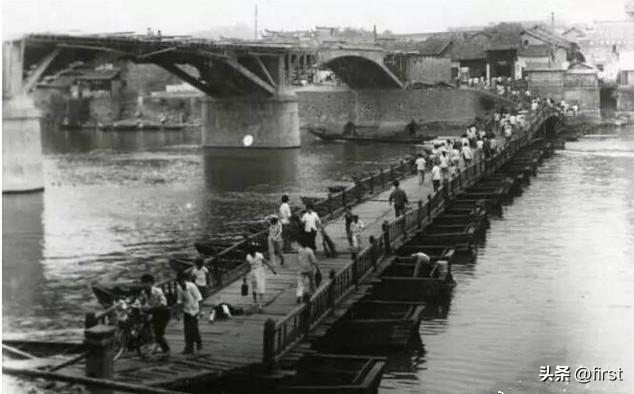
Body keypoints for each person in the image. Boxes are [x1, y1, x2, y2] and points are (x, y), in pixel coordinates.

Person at [139, 274, 170, 358]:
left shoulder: (157, 291)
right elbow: (142, 302)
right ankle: (151, 347)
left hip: (163, 313)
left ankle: (166, 350)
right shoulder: (143, 292)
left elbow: (164, 303)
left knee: (159, 333)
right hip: (153, 313)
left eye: (145, 283)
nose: (143, 285)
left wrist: (151, 307)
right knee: (146, 330)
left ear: (150, 283)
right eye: (142, 283)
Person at [176, 271, 202, 354]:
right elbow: (179, 300)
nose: (180, 283)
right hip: (186, 310)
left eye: (181, 281)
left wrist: (200, 311)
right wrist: (178, 312)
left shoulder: (192, 286)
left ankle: (198, 342)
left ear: (184, 280)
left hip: (194, 309)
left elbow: (199, 298)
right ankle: (189, 347)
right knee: (187, 330)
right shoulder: (179, 287)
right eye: (179, 282)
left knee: (193, 328)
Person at [245, 245, 276, 312]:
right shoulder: (248, 256)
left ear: (255, 252)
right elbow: (248, 266)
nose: (252, 254)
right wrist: (245, 276)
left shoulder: (259, 255)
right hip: (253, 272)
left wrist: (272, 269)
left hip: (260, 271)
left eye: (253, 252)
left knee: (261, 287)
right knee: (254, 288)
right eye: (251, 253)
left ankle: (260, 305)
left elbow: (266, 262)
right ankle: (255, 302)